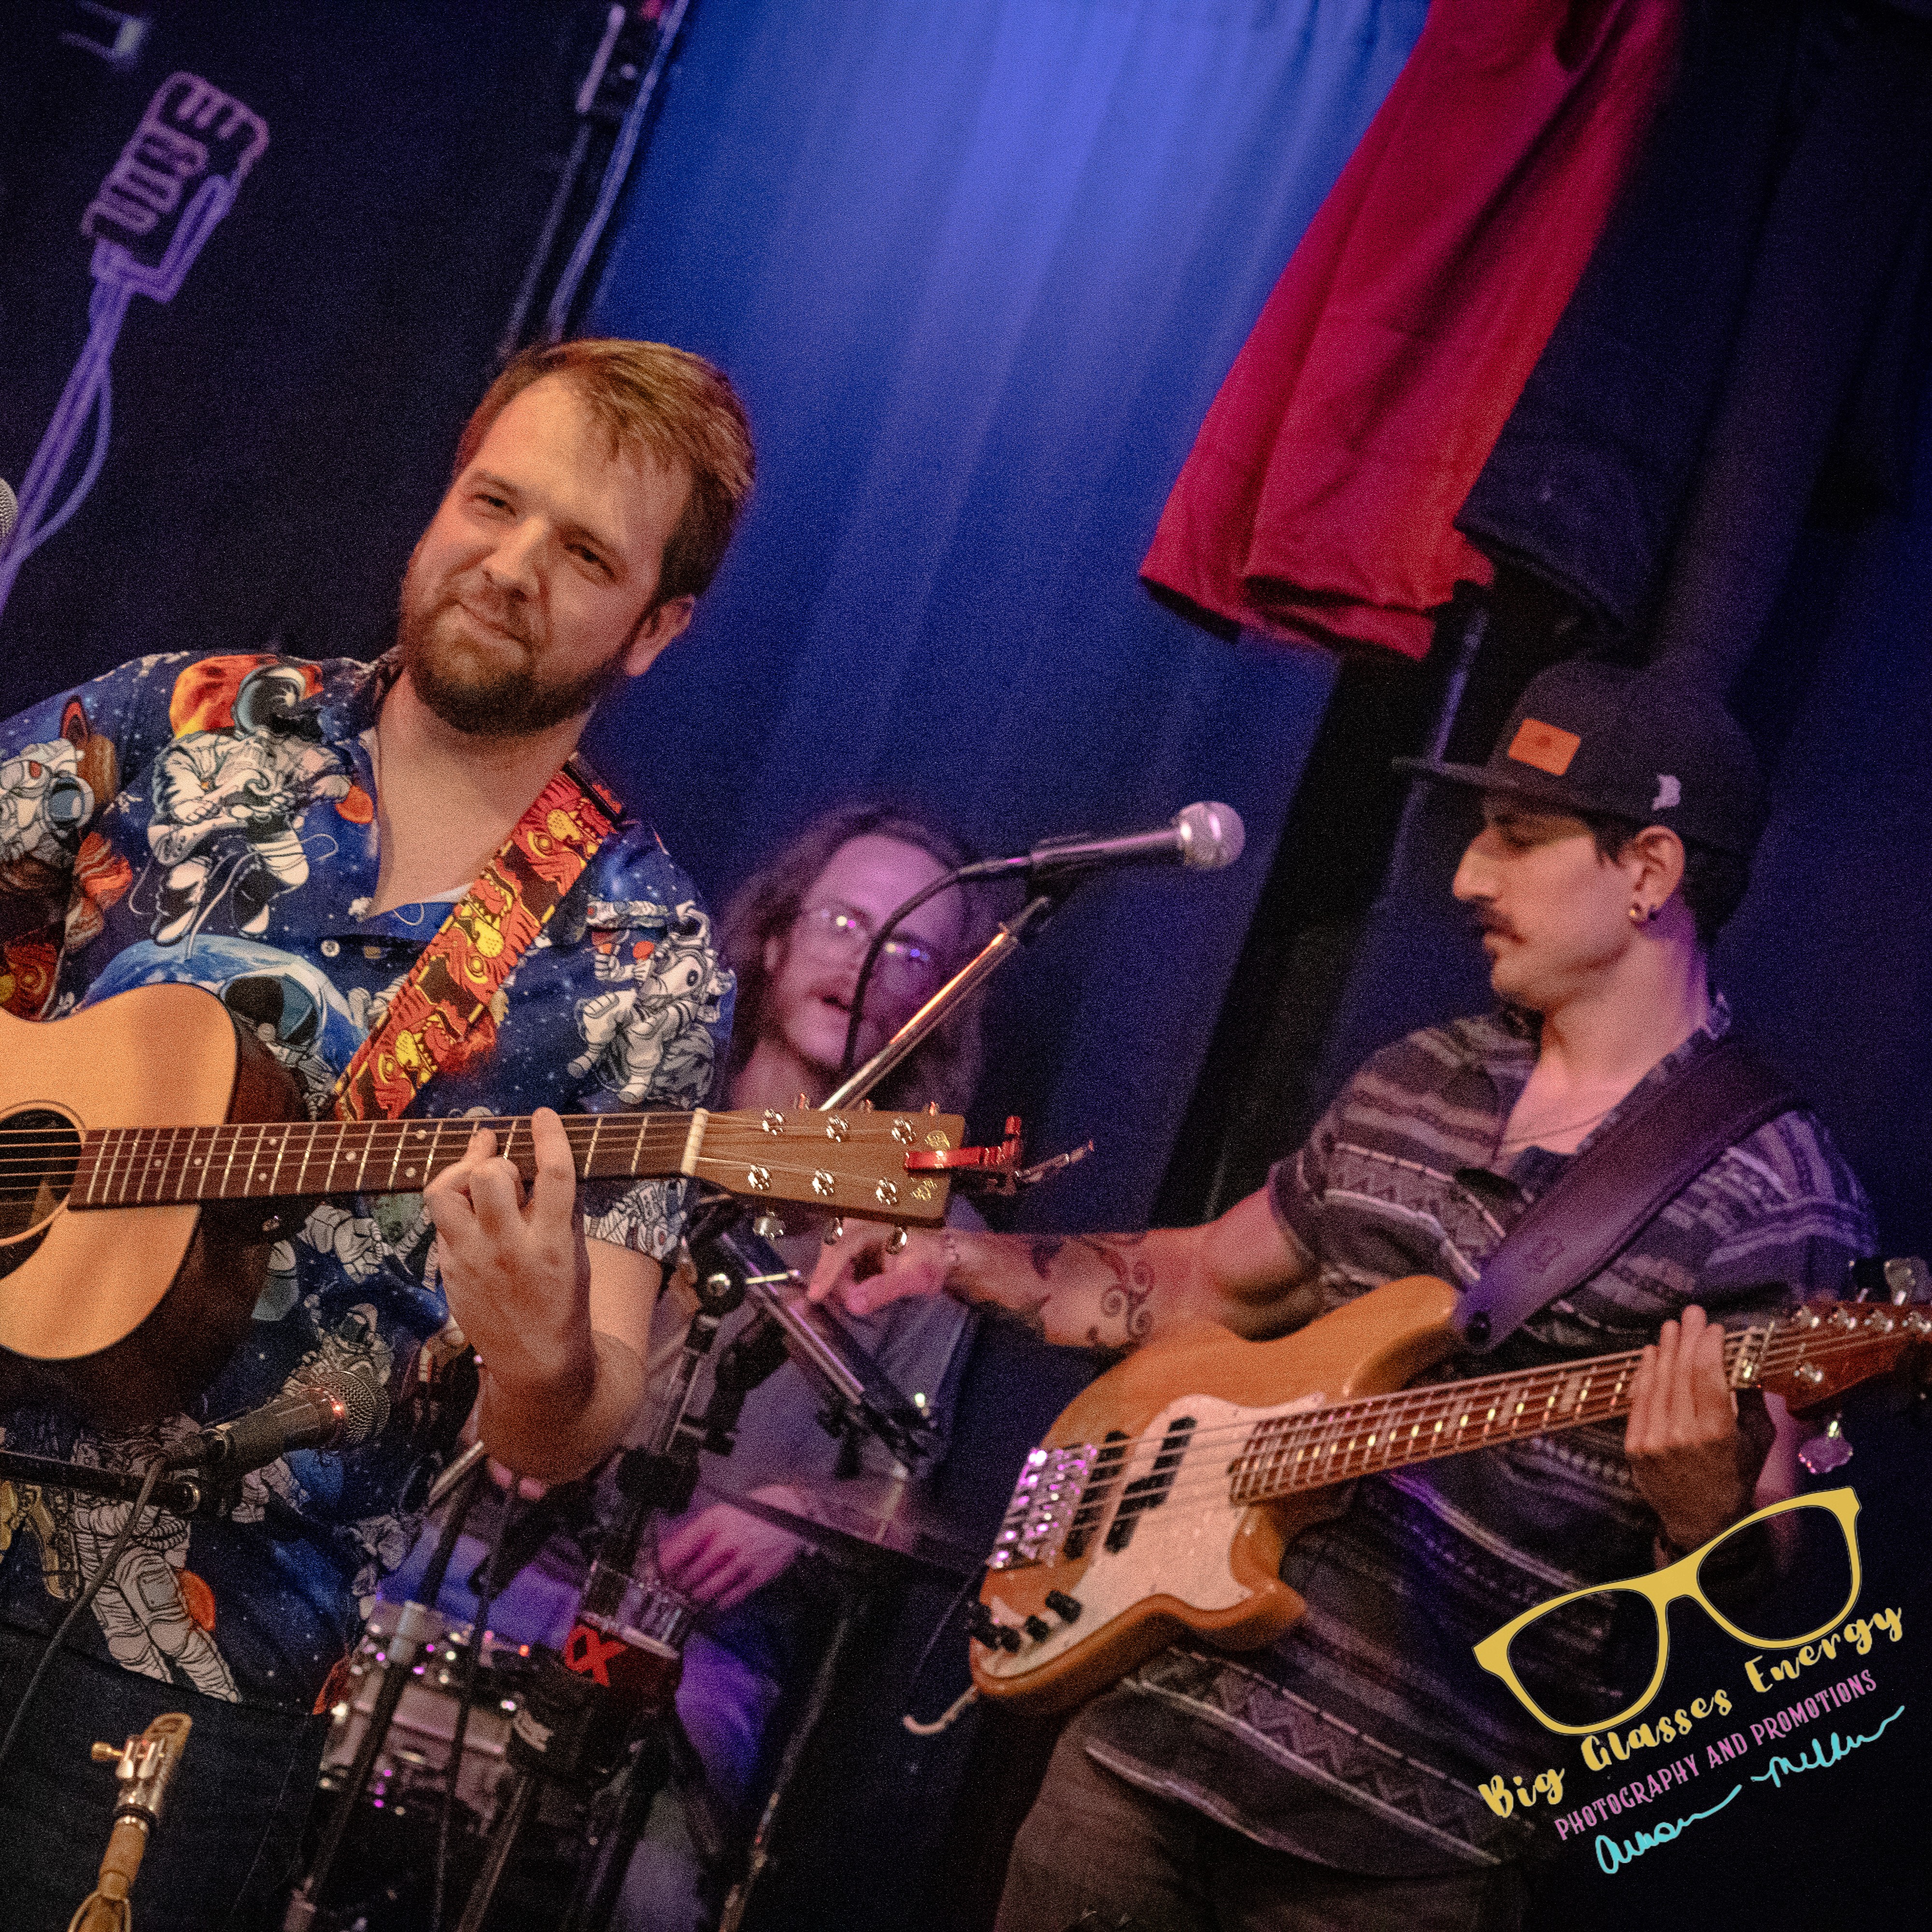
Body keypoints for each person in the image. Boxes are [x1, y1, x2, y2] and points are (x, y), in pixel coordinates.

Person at [813, 661, 1875, 1932]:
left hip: (1404, 1859)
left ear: (1648, 870)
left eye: (1516, 835)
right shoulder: (1418, 1076)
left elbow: (1769, 1563)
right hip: (1138, 1758)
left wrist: (1706, 1513)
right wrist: (959, 1257)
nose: (1466, 875)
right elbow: (1208, 1279)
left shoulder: (1776, 1193)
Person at [0, 337, 754, 1930]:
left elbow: (567, 1426)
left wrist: (541, 1352)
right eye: (495, 502)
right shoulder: (177, 721)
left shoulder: (641, 961)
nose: (513, 564)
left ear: (659, 627)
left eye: (587, 554)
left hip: (196, 1658)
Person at [610, 805, 993, 1930]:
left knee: (650, 1885)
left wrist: (803, 1513)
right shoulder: (637, 1124)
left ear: (938, 1003)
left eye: (909, 949)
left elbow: (906, 1492)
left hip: (688, 1654)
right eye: (842, 922)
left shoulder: (926, 1237)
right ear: (773, 940)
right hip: (493, 1567)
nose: (865, 963)